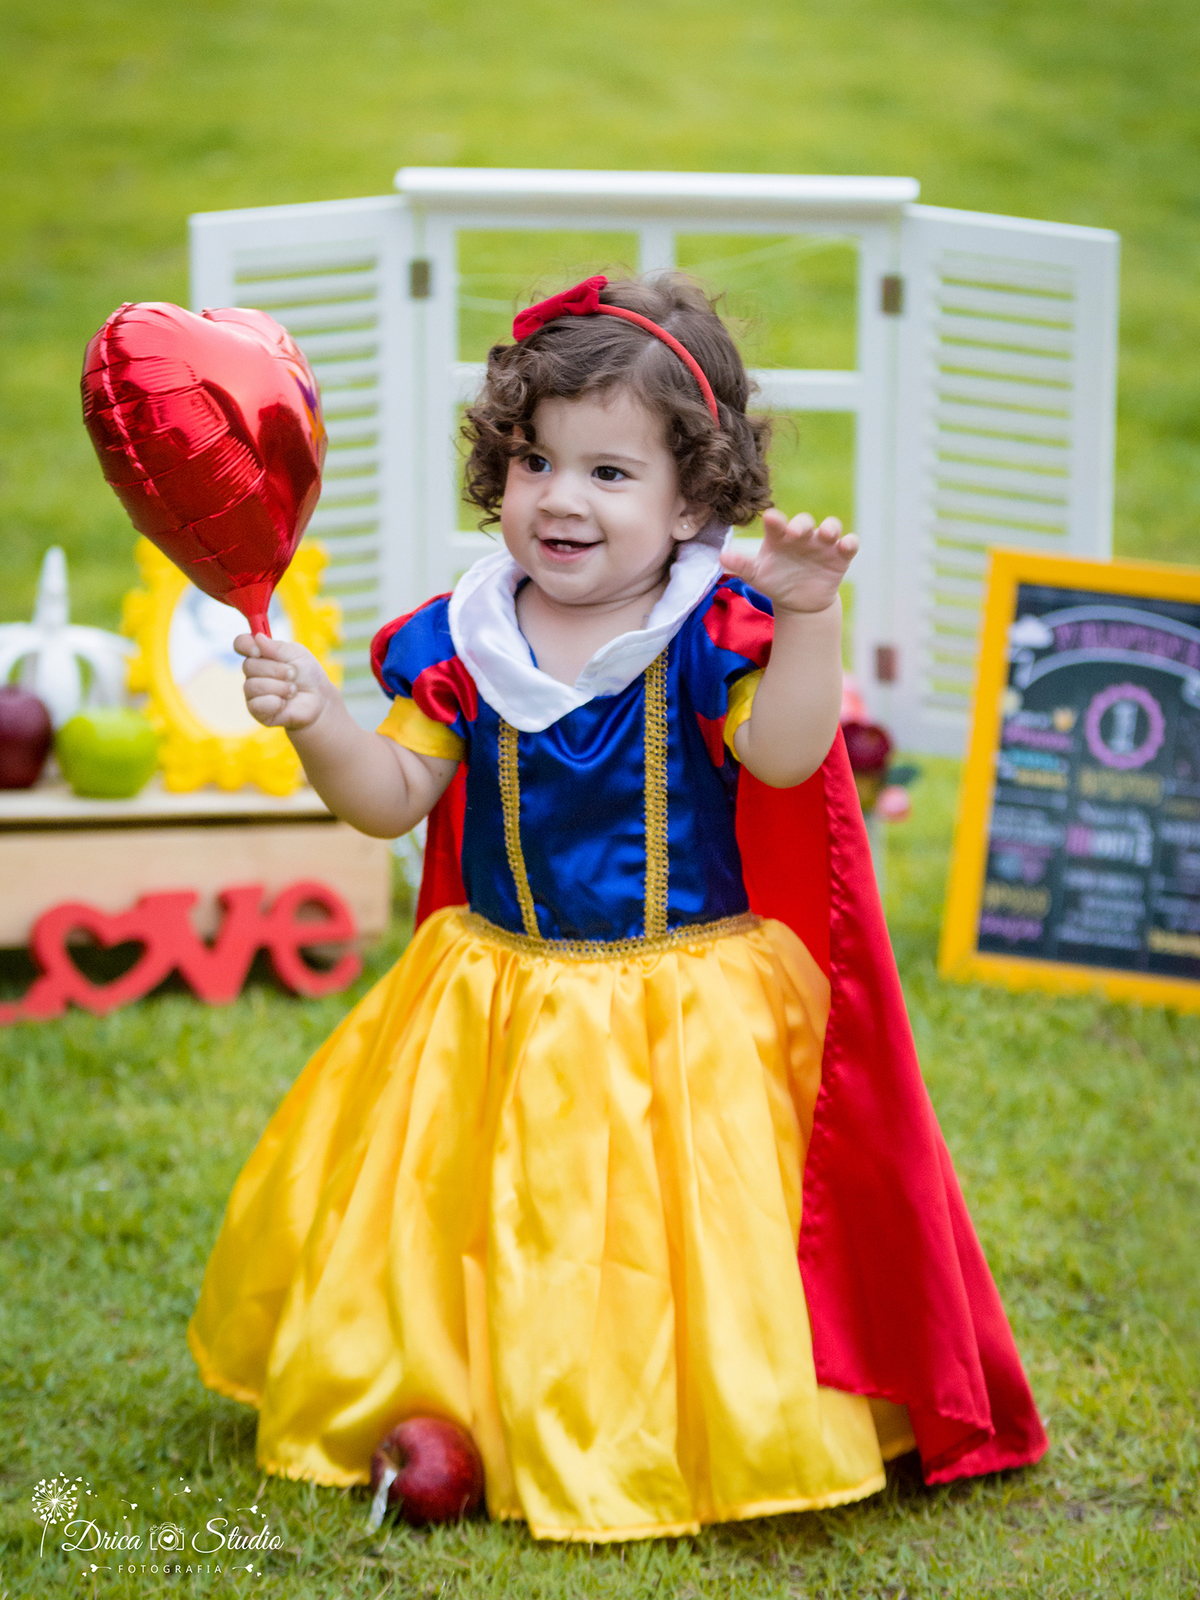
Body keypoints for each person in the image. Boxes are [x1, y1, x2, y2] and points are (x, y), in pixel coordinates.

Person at [188, 273, 1046, 1541]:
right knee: (480, 1226)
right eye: (535, 460)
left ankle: (672, 1420)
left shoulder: (713, 635)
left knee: (674, 1239)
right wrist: (320, 719)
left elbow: (786, 758)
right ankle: (479, 1393)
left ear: (694, 498)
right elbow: (389, 801)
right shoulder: (460, 640)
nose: (560, 499)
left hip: (683, 1010)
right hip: (493, 999)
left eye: (608, 472)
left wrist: (808, 616)